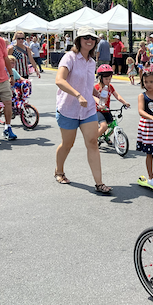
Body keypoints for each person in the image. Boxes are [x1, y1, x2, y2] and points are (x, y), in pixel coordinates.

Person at [54, 27, 112, 194]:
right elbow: (59, 80)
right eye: (85, 37)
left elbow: (86, 85)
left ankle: (99, 183)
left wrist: (95, 94)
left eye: (92, 38)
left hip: (88, 110)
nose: (89, 40)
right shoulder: (69, 57)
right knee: (67, 144)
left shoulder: (92, 62)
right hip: (68, 108)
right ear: (78, 40)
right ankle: (59, 171)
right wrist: (78, 95)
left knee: (93, 142)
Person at [94, 63, 130, 139]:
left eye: (110, 79)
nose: (108, 81)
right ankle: (93, 140)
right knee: (104, 126)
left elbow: (117, 95)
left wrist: (124, 102)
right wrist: (99, 104)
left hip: (106, 110)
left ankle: (106, 137)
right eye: (106, 79)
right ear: (100, 78)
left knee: (113, 125)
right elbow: (94, 97)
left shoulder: (110, 87)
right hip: (98, 110)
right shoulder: (97, 87)